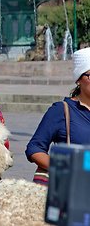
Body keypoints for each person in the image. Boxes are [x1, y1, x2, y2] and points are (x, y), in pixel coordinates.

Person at [26, 48, 90, 185]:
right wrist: (66, 168)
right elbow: (34, 148)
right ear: (79, 79)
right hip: (73, 190)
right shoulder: (62, 110)